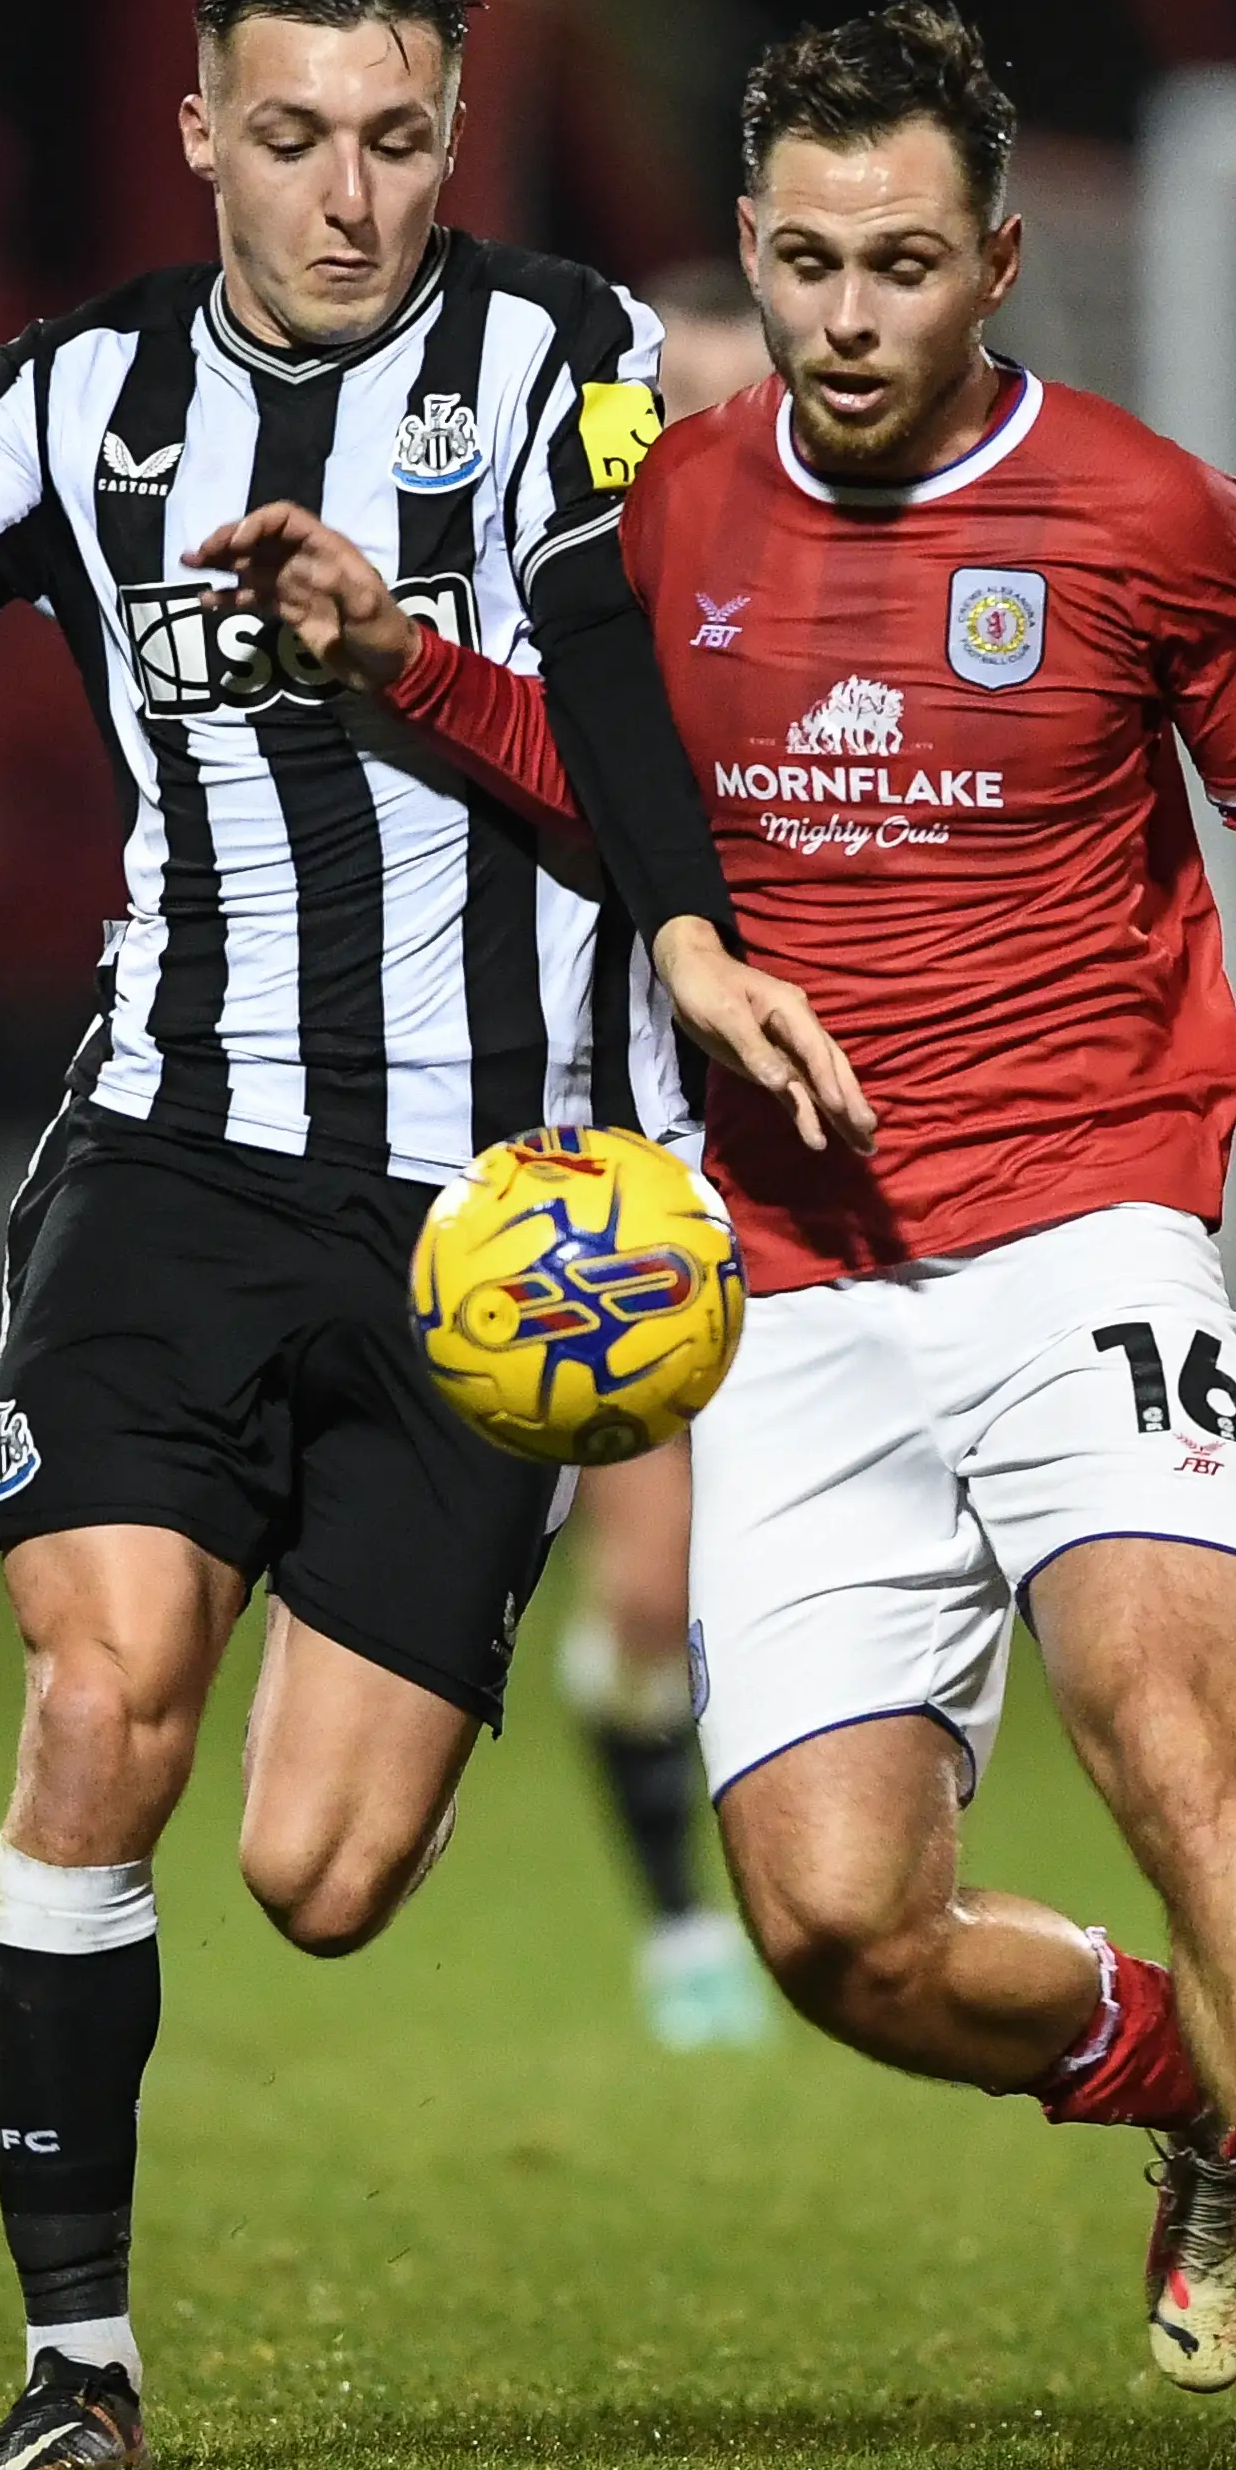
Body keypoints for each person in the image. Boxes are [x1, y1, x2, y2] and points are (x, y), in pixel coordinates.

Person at [192, 2, 1236, 2470]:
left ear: (998, 259)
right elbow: (616, 793)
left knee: (1172, 1736)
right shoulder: (673, 511)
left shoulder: (1150, 518)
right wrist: (391, 672)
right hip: (787, 1295)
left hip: (1089, 1226)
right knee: (829, 1932)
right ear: (756, 261)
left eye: (905, 266)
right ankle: (1197, 2089)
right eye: (804, 266)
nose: (852, 319)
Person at [0, 0, 865, 2470]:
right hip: (175, 1164)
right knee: (97, 1695)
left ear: (452, 138)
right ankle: (78, 2367)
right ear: (197, 136)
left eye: (390, 139)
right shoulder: (81, 395)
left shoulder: (565, 366)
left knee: (321, 1876)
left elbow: (610, 680)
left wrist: (681, 935)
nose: (342, 195)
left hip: (500, 1231)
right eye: (288, 136)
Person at [554, 260, 776, 2053]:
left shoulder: (833, 617)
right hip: (621, 1128)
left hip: (814, 1157)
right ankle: (680, 1919)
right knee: (647, 1589)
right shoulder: (580, 613)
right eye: (668, 412)